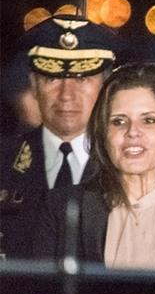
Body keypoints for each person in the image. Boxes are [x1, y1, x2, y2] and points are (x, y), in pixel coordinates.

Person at [32, 63, 155, 268]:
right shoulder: (61, 209)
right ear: (103, 135)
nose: (133, 132)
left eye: (148, 120)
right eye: (119, 122)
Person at [0, 15, 121, 258]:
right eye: (52, 78)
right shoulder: (4, 160)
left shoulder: (126, 163)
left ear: (105, 87)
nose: (67, 94)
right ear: (33, 85)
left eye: (83, 78)